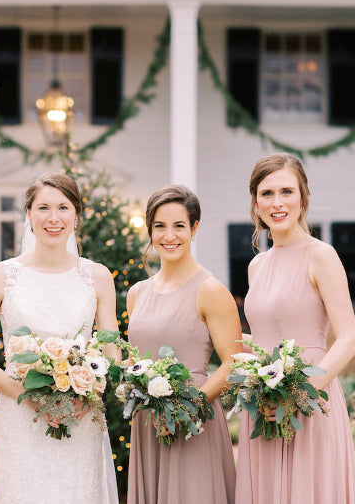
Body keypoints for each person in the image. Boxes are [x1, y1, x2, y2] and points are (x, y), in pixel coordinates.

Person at [0, 172, 119, 504]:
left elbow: (113, 353)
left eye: (63, 207)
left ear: (77, 215)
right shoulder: (0, 277)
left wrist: (86, 395)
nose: (54, 218)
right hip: (20, 418)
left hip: (81, 415)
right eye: (43, 208)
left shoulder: (96, 276)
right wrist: (30, 397)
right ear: (29, 214)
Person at [235, 153, 355, 504]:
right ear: (255, 203)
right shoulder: (257, 266)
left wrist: (302, 393)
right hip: (262, 406)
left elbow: (349, 337)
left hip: (310, 401)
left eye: (287, 192)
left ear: (303, 198)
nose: (277, 203)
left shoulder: (321, 255)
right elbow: (264, 338)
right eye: (267, 193)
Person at [125, 184, 239, 504]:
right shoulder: (137, 294)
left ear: (194, 228)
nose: (169, 236)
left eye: (179, 226)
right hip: (147, 421)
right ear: (149, 230)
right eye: (160, 226)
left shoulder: (210, 290)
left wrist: (186, 409)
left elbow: (234, 362)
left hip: (193, 421)